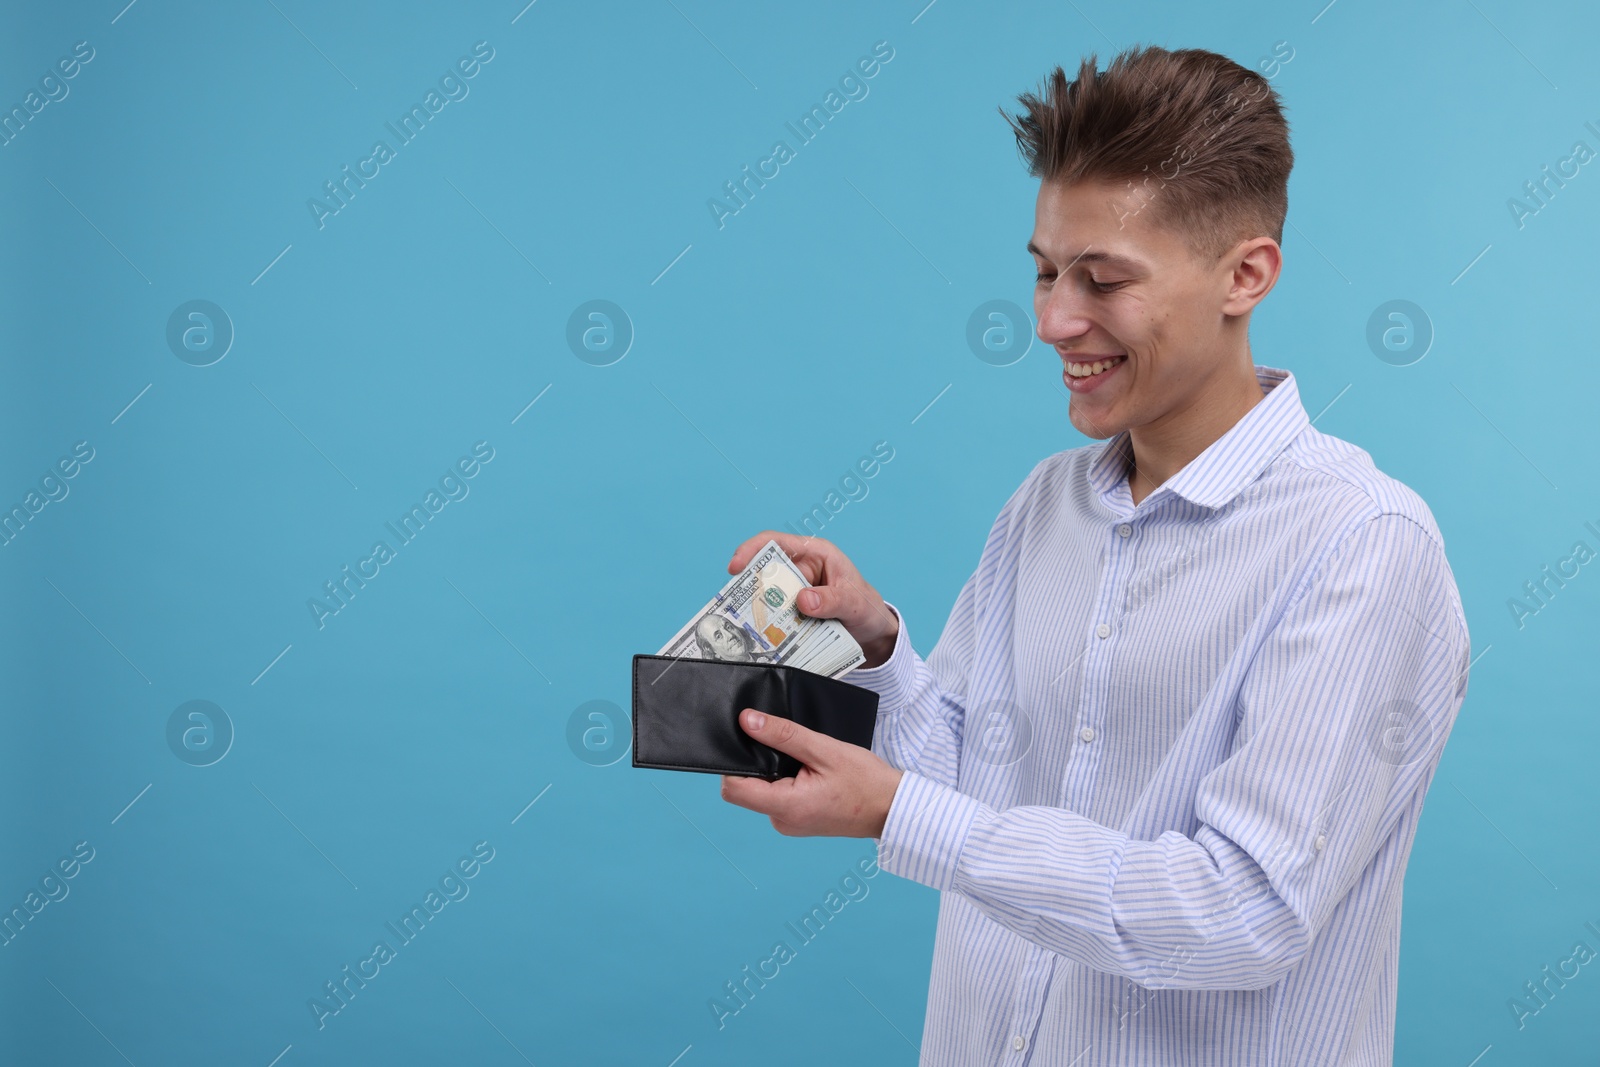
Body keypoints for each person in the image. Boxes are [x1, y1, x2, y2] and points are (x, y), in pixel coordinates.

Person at [717, 43, 1472, 1067]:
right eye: (1043, 271)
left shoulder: (1362, 544)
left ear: (1244, 274)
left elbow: (1244, 907)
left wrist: (899, 812)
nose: (1052, 320)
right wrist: (880, 644)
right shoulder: (1042, 505)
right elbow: (977, 784)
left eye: (1103, 279)